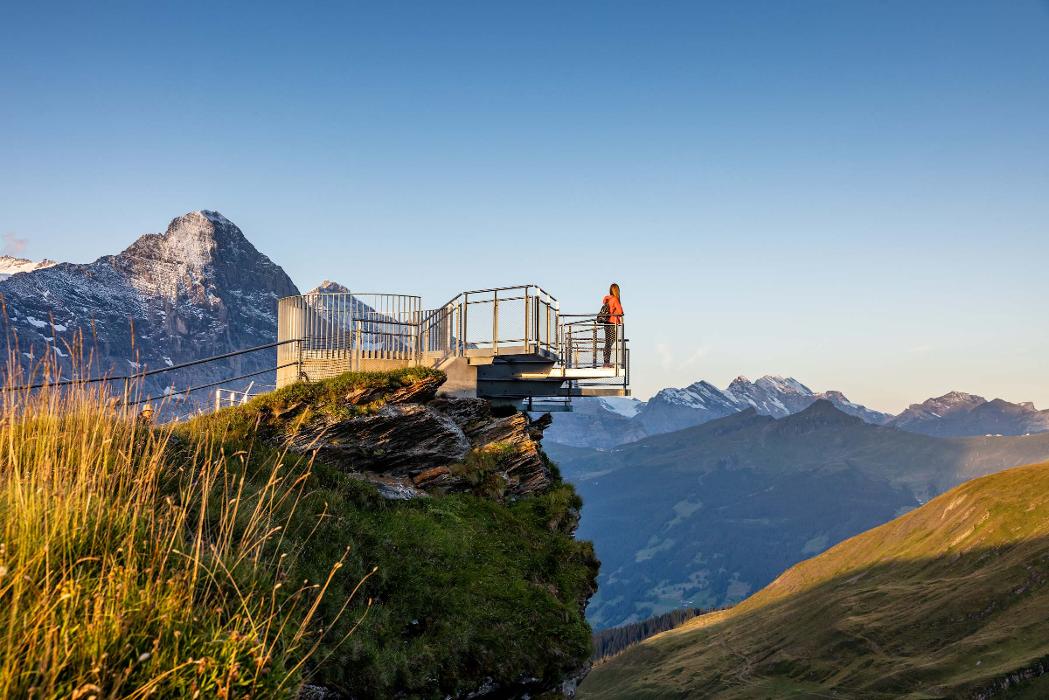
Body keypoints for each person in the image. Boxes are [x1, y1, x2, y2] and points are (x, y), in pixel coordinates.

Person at [600, 283, 624, 366]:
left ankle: (606, 362)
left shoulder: (607, 299)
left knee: (608, 342)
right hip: (612, 322)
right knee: (610, 341)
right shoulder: (615, 299)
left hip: (606, 322)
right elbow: (620, 312)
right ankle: (606, 363)